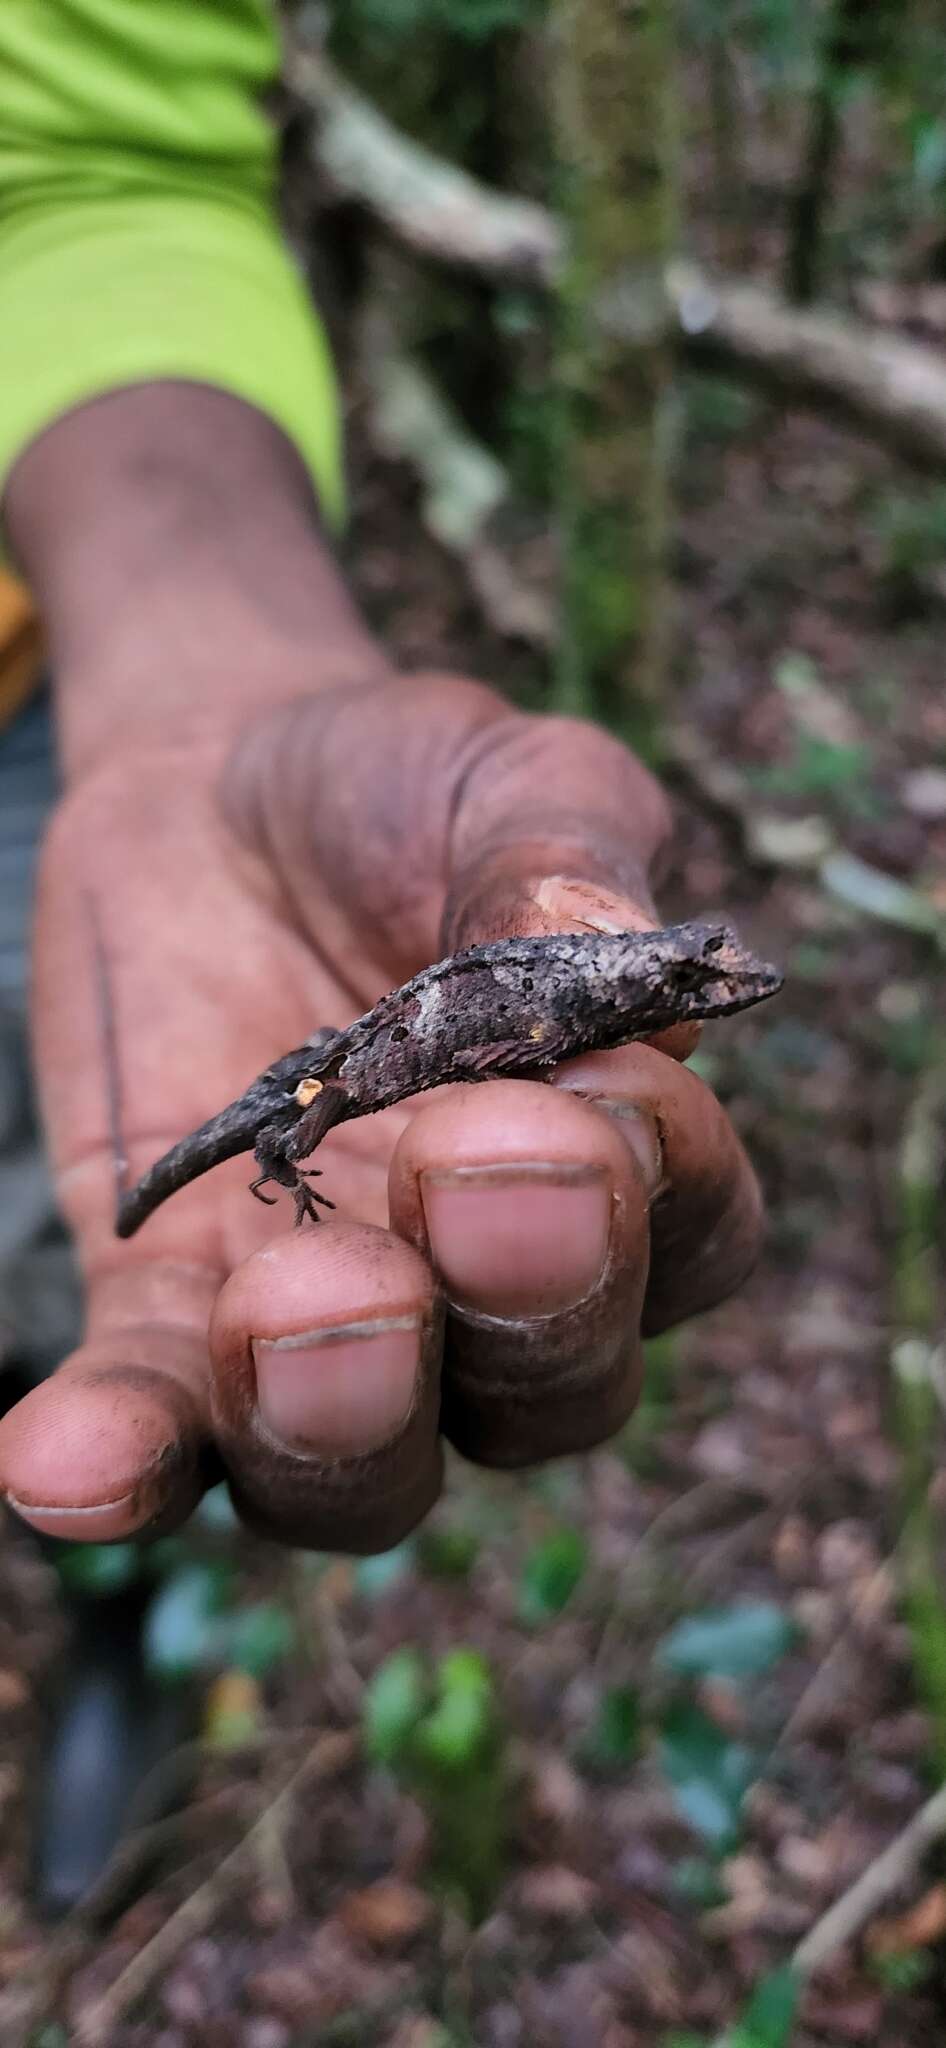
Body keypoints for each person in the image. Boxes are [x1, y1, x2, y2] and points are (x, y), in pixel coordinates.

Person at [0, 1, 763, 1562]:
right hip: (340, 1056)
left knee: (68, 1179)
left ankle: (107, 1588)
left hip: (49, 671)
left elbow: (94, 166)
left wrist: (200, 688)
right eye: (702, 969)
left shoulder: (603, 988)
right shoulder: (587, 994)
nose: (715, 981)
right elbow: (521, 1006)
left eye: (703, 971)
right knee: (201, 1148)